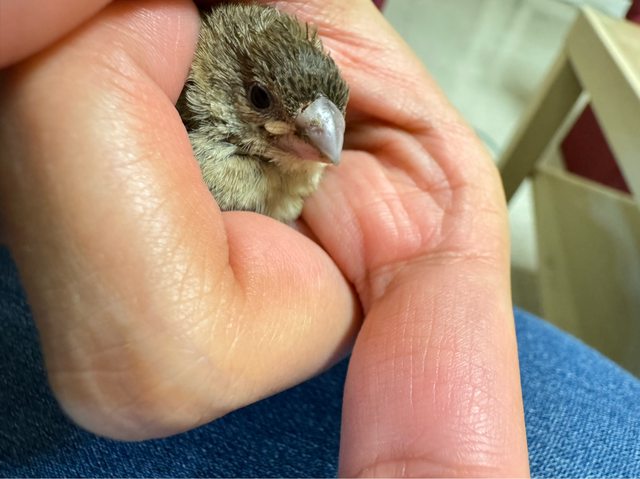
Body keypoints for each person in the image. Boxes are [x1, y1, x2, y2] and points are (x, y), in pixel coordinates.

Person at [0, 0, 638, 476]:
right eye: (261, 100)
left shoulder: (298, 155)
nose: (319, 144)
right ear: (228, 86)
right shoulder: (187, 92)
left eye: (327, 125)